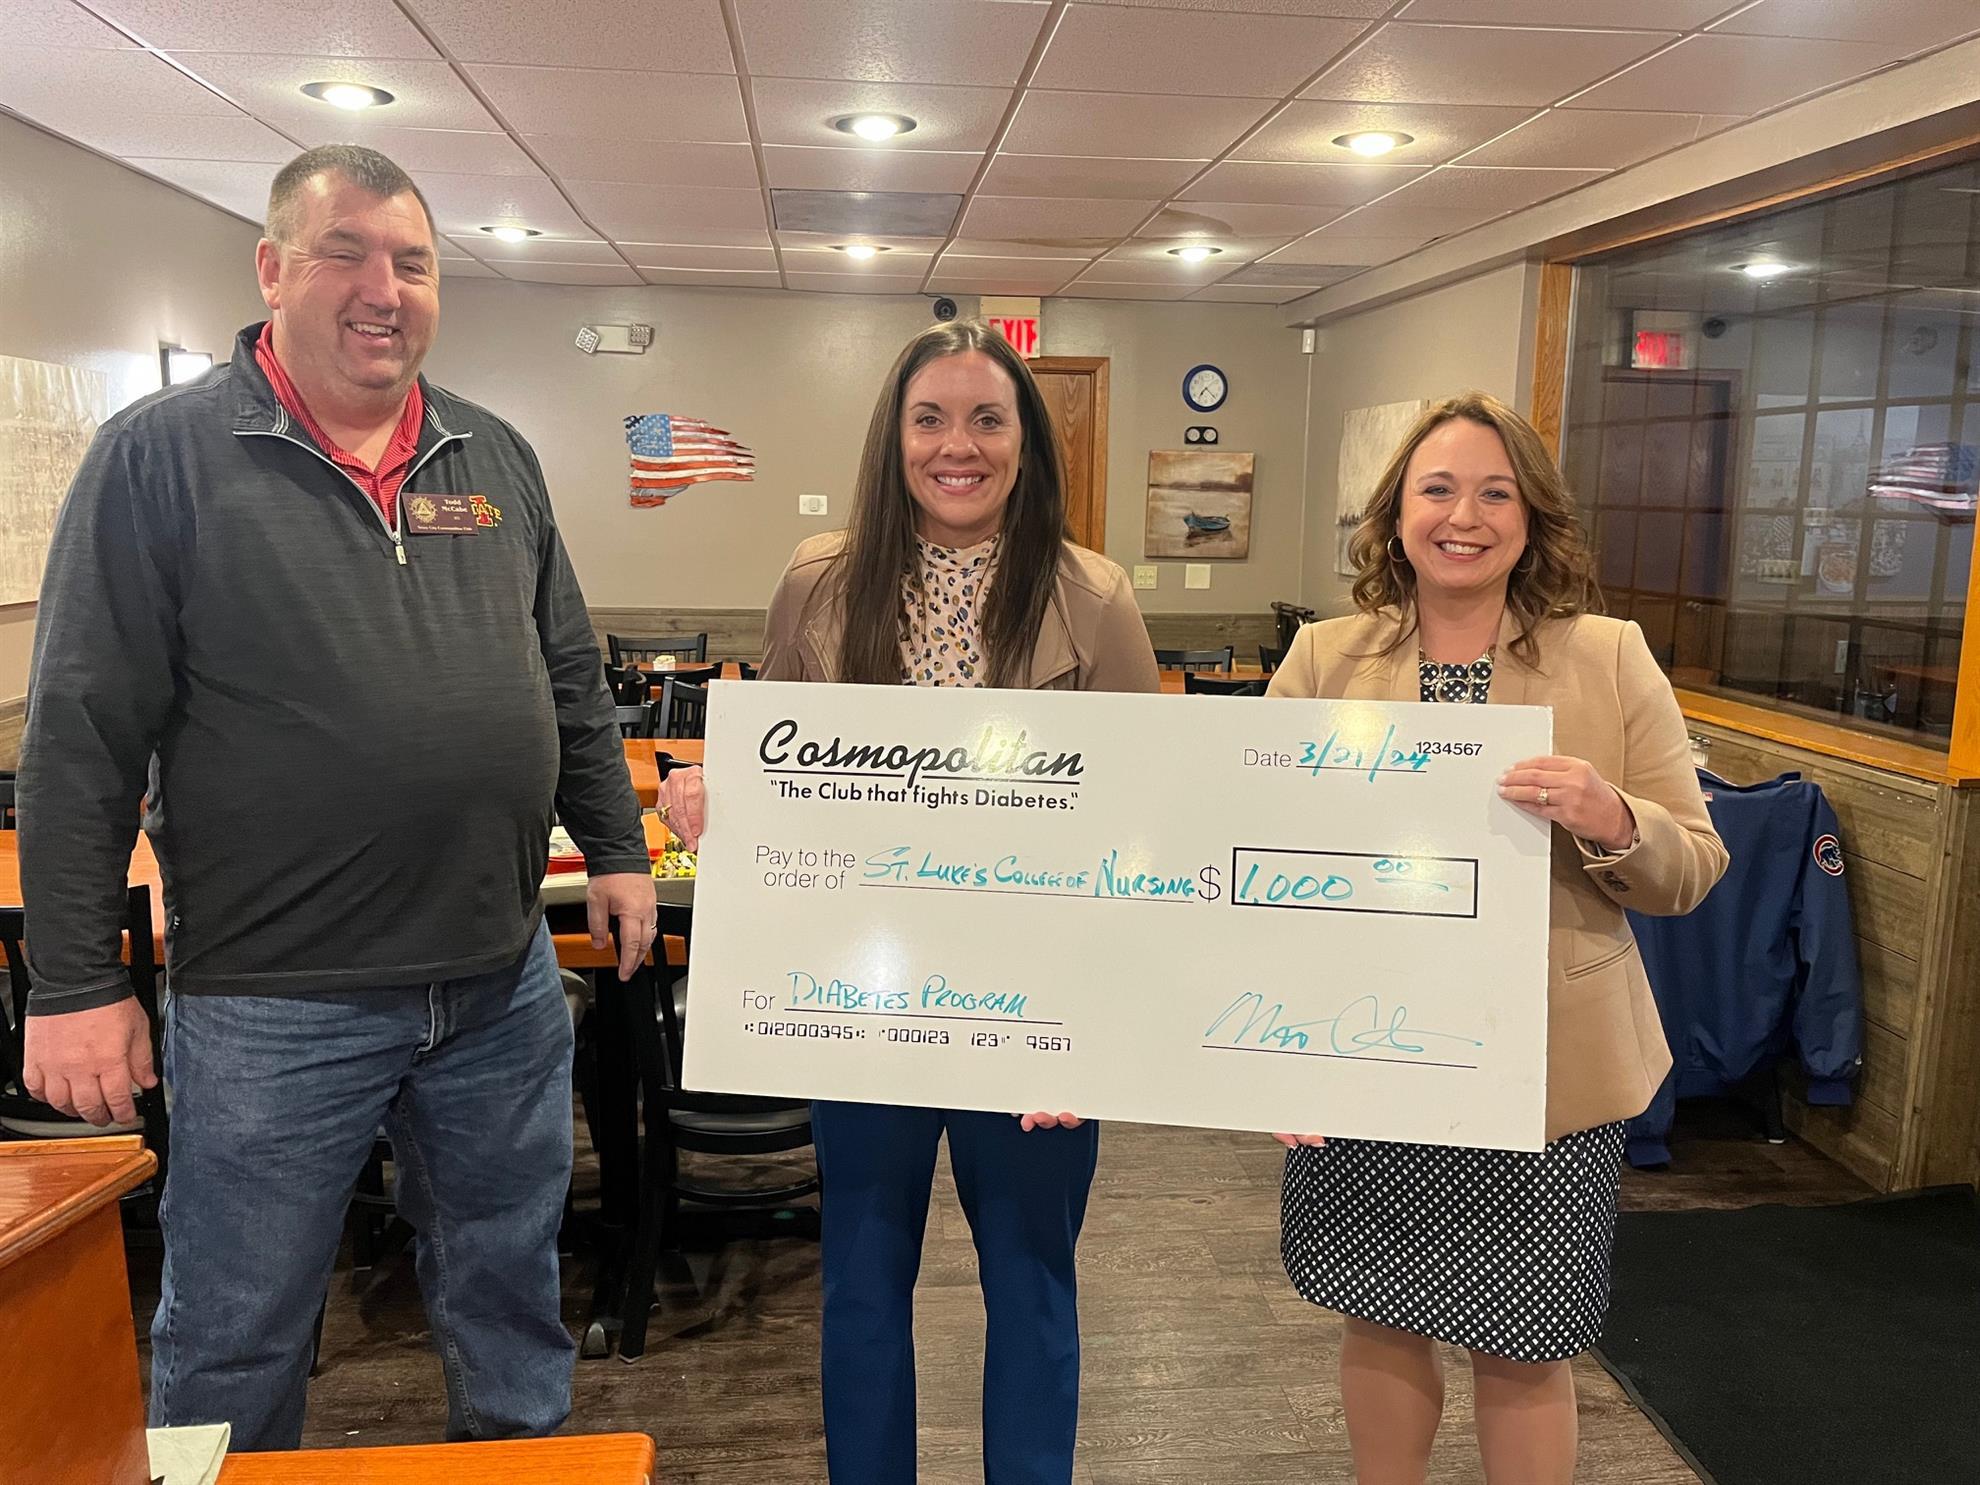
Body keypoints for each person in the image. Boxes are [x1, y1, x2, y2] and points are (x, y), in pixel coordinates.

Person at [17, 145, 657, 1450]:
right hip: (274, 1001)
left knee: (510, 1298)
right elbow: (81, 735)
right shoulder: (159, 459)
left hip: (497, 980)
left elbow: (566, 677)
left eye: (413, 263)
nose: (385, 289)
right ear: (272, 270)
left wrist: (616, 846)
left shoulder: (494, 453)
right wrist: (74, 983)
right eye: (345, 254)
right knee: (236, 1328)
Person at [658, 320, 1160, 1482]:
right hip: (865, 999)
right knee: (861, 1287)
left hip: (1033, 1012)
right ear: (895, 437)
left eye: (988, 419)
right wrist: (716, 798)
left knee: (1032, 1287)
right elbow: (781, 776)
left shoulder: (1095, 596)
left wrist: (1098, 1031)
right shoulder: (820, 580)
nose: (957, 446)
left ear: (1029, 442)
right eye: (930, 418)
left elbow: (1144, 826)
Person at [1266, 391, 1727, 1484]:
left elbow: (1694, 867)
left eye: (1494, 493)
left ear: (1533, 519)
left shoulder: (1609, 657)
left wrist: (1613, 816)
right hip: (1368, 1048)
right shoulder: (1324, 658)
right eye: (1437, 490)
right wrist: (1275, 1051)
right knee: (1380, 1315)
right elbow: (1253, 867)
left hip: (1541, 1066)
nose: (1463, 517)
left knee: (1524, 1338)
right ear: (1396, 515)